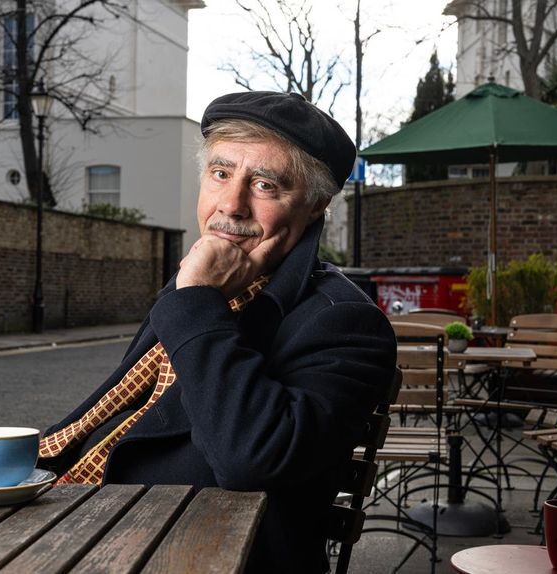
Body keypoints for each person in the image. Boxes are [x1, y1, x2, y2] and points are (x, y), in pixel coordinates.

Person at [39, 91, 396, 573]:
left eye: (266, 185)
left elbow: (252, 459)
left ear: (315, 205)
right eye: (221, 173)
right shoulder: (200, 289)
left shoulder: (343, 322)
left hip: (202, 556)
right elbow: (125, 417)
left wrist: (195, 302)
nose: (232, 204)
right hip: (104, 529)